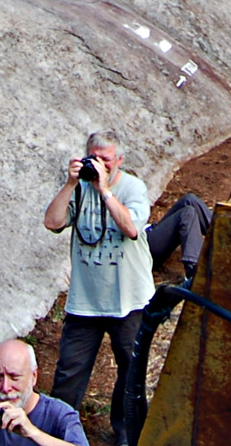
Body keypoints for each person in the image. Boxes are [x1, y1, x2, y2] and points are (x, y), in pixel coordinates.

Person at [42, 132, 152, 415]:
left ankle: (127, 431)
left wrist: (105, 190)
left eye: (106, 159)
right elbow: (52, 222)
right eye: (94, 158)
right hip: (85, 301)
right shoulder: (78, 189)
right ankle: (59, 431)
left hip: (129, 300)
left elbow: (131, 228)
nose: (100, 165)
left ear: (119, 160)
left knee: (131, 372)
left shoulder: (133, 188)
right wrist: (70, 183)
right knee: (69, 372)